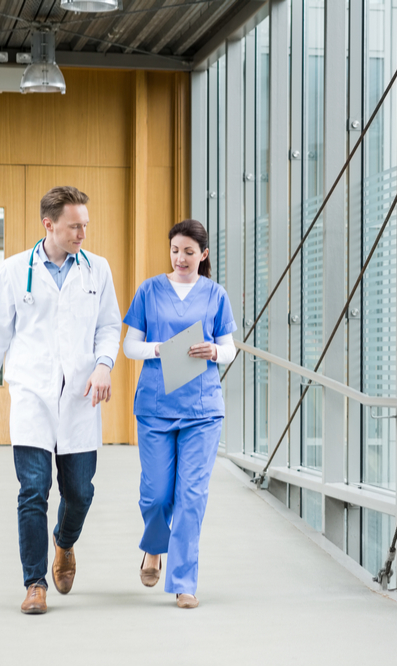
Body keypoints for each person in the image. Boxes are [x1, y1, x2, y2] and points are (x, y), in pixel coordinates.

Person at [0, 186, 121, 615]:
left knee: (80, 492)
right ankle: (35, 583)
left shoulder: (98, 270)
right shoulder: (16, 271)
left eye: (86, 226)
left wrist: (104, 364)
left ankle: (65, 542)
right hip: (32, 395)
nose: (82, 234)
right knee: (33, 491)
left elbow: (110, 326)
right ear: (49, 224)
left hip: (80, 397)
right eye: (75, 226)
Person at [122, 219, 237, 609]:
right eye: (175, 250)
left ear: (203, 254)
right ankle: (154, 547)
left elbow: (230, 348)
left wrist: (214, 352)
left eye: (189, 251)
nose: (181, 257)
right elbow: (129, 347)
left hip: (202, 411)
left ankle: (184, 582)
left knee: (191, 496)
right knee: (156, 496)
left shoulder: (215, 294)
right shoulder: (150, 291)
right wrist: (160, 350)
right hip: (155, 407)